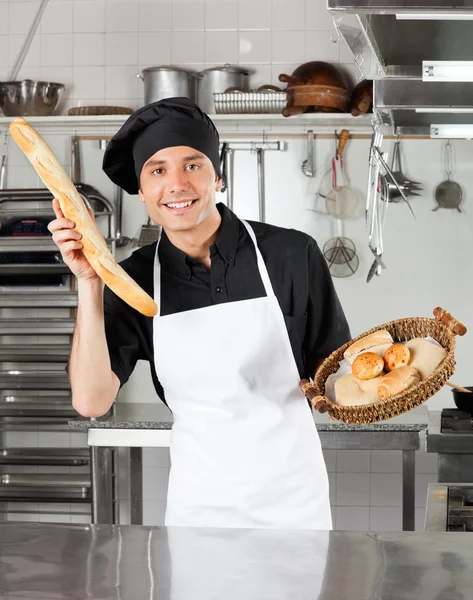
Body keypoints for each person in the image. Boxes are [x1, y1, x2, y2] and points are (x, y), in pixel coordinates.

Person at [49, 97, 351, 530]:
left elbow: (336, 374)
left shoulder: (291, 254)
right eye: (157, 170)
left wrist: (375, 383)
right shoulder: (132, 278)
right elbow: (91, 401)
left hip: (294, 506)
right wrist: (90, 282)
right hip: (201, 509)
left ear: (218, 175)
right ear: (140, 188)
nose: (176, 184)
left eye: (193, 165)